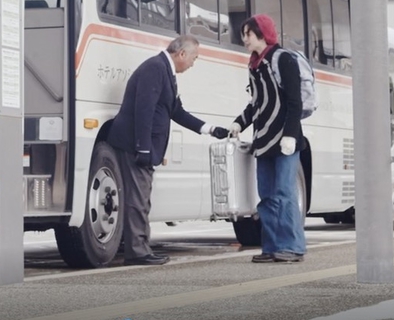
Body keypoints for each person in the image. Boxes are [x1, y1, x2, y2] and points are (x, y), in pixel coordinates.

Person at [107, 34, 231, 266]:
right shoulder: (155, 68)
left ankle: (141, 248)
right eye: (194, 58)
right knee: (138, 199)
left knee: (141, 198)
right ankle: (137, 252)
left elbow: (176, 111)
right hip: (135, 145)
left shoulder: (166, 71)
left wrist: (210, 129)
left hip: (142, 146)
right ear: (181, 54)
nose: (194, 63)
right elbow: (143, 110)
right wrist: (143, 148)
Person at [228, 14, 307, 263]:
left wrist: (291, 135)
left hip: (285, 140)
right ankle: (272, 247)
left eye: (248, 34)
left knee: (284, 193)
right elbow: (256, 103)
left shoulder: (283, 59)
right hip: (263, 141)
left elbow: (295, 102)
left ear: (262, 33)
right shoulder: (254, 64)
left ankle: (292, 247)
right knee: (267, 197)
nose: (245, 39)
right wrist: (239, 122)